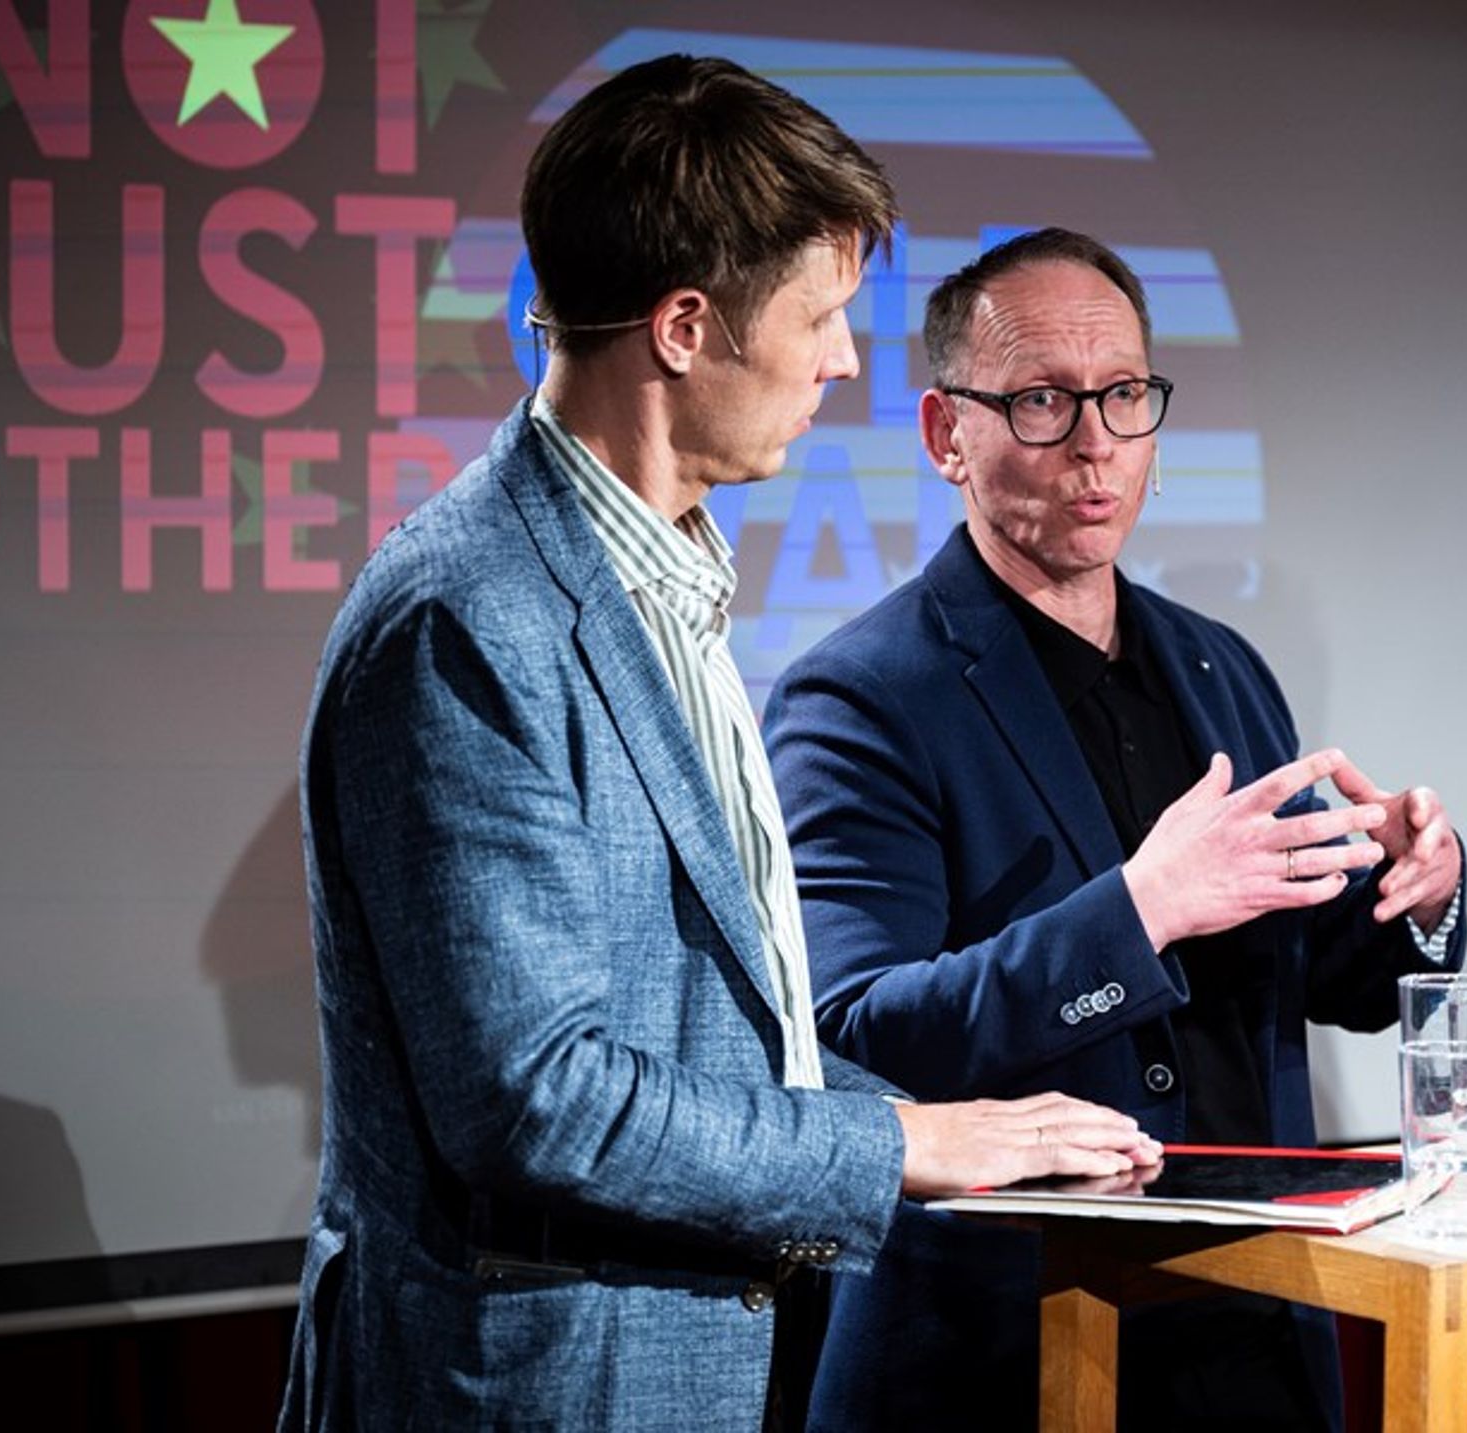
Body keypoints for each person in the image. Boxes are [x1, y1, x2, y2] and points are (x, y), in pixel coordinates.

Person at [279, 61, 1155, 1431]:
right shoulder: (470, 620)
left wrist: (980, 1136)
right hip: (537, 1389)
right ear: (686, 327)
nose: (846, 360)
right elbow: (535, 1096)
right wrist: (902, 1137)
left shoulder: (655, 579)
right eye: (821, 318)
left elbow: (700, 1035)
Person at [763, 227, 1467, 1430]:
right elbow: (854, 1036)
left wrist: (1417, 890)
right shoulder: (860, 695)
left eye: (1125, 395)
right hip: (1011, 1339)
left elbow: (1325, 973)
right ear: (946, 435)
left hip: (1253, 1320)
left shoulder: (1219, 664)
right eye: (1042, 400)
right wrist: (1140, 911)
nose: (1094, 441)